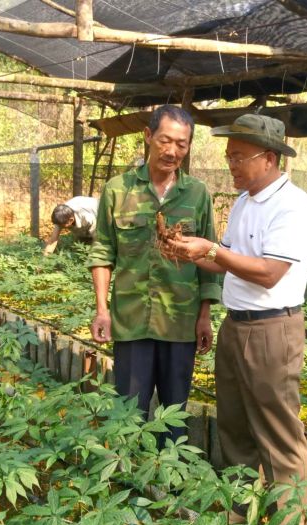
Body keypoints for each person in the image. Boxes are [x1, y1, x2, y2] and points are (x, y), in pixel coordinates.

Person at [165, 114, 307, 525]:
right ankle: (240, 512)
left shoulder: (294, 206)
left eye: (238, 157)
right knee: (234, 426)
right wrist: (193, 252)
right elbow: (228, 261)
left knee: (279, 436)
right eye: (228, 156)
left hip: (273, 330)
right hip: (237, 326)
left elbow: (269, 273)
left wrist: (212, 249)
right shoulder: (248, 201)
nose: (230, 164)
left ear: (269, 158)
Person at [86, 105, 221, 445]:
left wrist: (205, 315)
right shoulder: (118, 190)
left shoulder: (198, 194)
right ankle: (132, 484)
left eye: (182, 143)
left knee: (174, 415)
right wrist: (102, 311)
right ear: (148, 137)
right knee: (129, 413)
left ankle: (171, 486)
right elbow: (103, 252)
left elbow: (208, 258)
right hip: (131, 321)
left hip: (181, 323)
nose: (172, 151)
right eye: (165, 140)